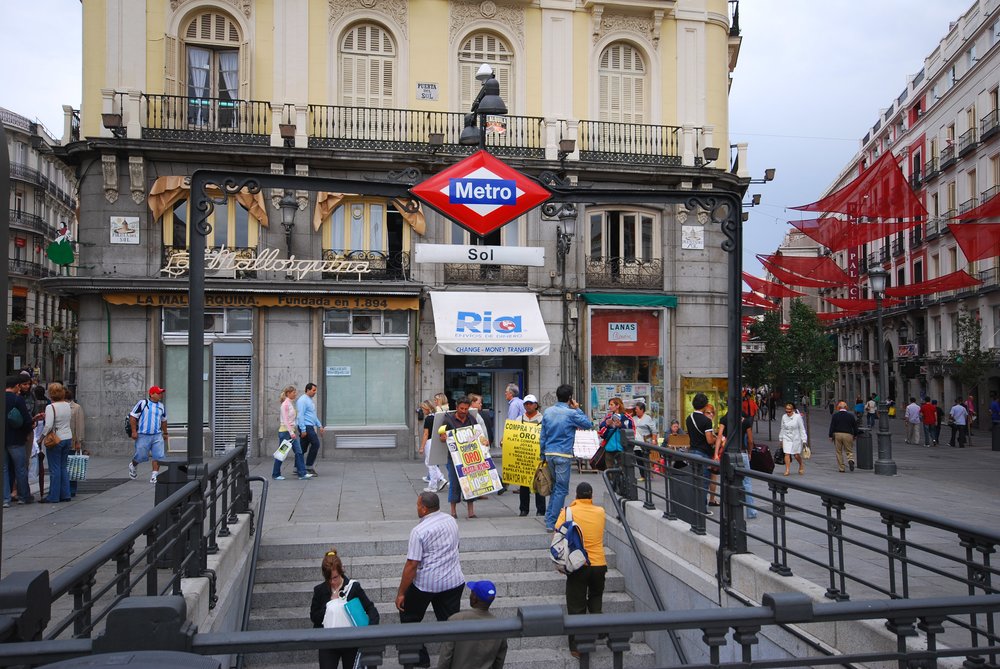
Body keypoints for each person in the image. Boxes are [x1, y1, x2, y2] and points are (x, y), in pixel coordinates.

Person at [396, 491, 465, 668]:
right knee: (450, 623)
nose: (417, 508)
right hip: (452, 581)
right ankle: (455, 659)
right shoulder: (451, 520)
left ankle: (419, 658)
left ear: (425, 509)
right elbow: (456, 546)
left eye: (418, 505)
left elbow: (412, 565)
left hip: (426, 584)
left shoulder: (419, 531)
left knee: (409, 618)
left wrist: (401, 592)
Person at [556, 482, 607, 660]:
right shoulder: (600, 512)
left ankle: (577, 646)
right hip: (599, 564)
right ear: (591, 495)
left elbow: (558, 534)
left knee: (576, 607)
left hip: (578, 565)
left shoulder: (568, 512)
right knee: (595, 598)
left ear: (576, 495)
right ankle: (597, 630)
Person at [310, 548, 379, 669]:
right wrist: (330, 603)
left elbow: (371, 608)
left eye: (335, 577)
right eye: (329, 579)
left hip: (350, 641)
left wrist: (369, 630)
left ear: (341, 571)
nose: (332, 582)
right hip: (328, 641)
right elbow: (314, 617)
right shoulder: (320, 590)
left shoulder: (353, 587)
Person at [540, 384, 593, 532]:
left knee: (555, 487)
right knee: (561, 489)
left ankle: (549, 517)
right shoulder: (571, 413)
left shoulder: (548, 412)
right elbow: (588, 424)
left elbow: (542, 435)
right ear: (570, 398)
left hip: (550, 453)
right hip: (563, 454)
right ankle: (552, 521)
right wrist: (577, 408)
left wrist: (542, 453)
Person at [436, 580, 507, 669]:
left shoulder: (456, 620)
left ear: (474, 598)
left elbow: (445, 657)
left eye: (472, 592)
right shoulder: (500, 627)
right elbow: (499, 660)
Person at [439, 396, 479, 519]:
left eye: (466, 409)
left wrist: (483, 441)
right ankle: (453, 512)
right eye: (461, 408)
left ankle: (471, 512)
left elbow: (478, 433)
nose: (464, 411)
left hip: (469, 457)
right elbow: (440, 432)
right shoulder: (448, 419)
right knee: (454, 483)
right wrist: (442, 436)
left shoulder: (471, 419)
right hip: (454, 458)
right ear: (456, 408)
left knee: (471, 482)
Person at [4, 375, 35, 507]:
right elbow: (26, 420)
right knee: (20, 468)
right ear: (16, 386)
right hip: (16, 439)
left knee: (4, 469)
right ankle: (23, 496)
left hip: (3, 439)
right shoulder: (18, 399)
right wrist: (29, 428)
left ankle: (5, 499)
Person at [129, 386, 168, 484]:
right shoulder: (143, 403)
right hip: (143, 435)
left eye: (161, 393)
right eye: (158, 393)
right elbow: (133, 417)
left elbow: (164, 420)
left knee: (158, 456)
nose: (160, 395)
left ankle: (154, 476)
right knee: (141, 456)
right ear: (151, 394)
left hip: (157, 435)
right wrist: (134, 431)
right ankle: (133, 464)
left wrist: (165, 432)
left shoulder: (161, 406)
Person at [41, 383, 73, 503]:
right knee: (63, 467)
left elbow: (48, 425)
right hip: (67, 437)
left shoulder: (51, 407)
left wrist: (41, 437)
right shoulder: (67, 405)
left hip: (56, 438)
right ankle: (66, 494)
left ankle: (53, 496)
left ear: (51, 394)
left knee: (54, 468)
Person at [272, 385, 312, 481]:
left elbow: (292, 419)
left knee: (299, 452)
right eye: (294, 392)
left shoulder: (290, 403)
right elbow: (285, 420)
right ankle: (276, 474)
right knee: (282, 453)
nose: (295, 394)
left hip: (291, 432)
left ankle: (302, 473)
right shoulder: (285, 405)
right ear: (288, 393)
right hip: (286, 432)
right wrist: (291, 432)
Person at [597, 397, 634, 493]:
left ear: (618, 405)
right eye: (609, 404)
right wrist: (607, 425)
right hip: (609, 446)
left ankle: (621, 487)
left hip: (622, 447)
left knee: (622, 468)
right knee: (609, 469)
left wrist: (621, 425)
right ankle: (612, 487)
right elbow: (601, 431)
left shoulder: (627, 417)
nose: (610, 406)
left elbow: (632, 429)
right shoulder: (608, 417)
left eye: (612, 404)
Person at [685, 392, 717, 502]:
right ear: (704, 405)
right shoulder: (706, 421)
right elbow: (709, 440)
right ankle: (702, 508)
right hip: (703, 454)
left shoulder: (689, 418)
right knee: (703, 482)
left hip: (692, 452)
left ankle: (694, 505)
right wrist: (716, 439)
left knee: (694, 481)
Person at [517, 394, 545, 517]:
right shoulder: (519, 419)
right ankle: (524, 509)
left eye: (530, 403)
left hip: (538, 456)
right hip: (523, 456)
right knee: (523, 484)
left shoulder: (543, 419)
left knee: (539, 483)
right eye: (526, 404)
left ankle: (541, 510)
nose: (528, 406)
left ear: (536, 404)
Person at [296, 382, 324, 477]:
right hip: (306, 426)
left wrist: (319, 425)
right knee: (316, 444)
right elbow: (300, 415)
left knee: (302, 448)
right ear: (307, 390)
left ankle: (297, 467)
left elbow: (312, 415)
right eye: (313, 390)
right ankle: (308, 467)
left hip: (309, 426)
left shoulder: (310, 400)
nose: (315, 392)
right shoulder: (302, 400)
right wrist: (303, 429)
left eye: (315, 390)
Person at [419, 400, 447, 492]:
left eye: (423, 409)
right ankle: (441, 479)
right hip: (436, 440)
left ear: (427, 408)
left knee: (431, 464)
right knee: (431, 463)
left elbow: (426, 434)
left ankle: (433, 485)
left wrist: (422, 447)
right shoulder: (437, 416)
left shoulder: (428, 419)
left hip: (430, 442)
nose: (422, 411)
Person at [778, 402, 808, 476]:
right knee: (787, 453)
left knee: (796, 454)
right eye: (786, 411)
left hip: (795, 437)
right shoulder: (784, 417)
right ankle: (787, 469)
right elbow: (782, 428)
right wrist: (781, 439)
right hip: (786, 437)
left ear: (793, 410)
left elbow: (802, 428)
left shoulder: (797, 417)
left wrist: (804, 439)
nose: (787, 413)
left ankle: (801, 464)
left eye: (789, 411)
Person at [828, 401, 858, 473]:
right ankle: (850, 459)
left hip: (838, 434)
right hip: (848, 434)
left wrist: (830, 435)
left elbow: (832, 426)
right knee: (849, 450)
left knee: (839, 451)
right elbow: (855, 426)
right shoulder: (851, 416)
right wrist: (855, 435)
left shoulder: (835, 415)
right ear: (846, 408)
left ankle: (841, 468)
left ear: (838, 408)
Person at [66, 388, 85, 497]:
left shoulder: (76, 408)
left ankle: (72, 489)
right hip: (62, 440)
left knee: (73, 466)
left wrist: (79, 440)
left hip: (72, 440)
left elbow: (80, 425)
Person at [632, 400, 657, 480]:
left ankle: (648, 474)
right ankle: (643, 475)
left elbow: (654, 430)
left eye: (637, 409)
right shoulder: (633, 418)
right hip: (636, 441)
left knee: (645, 458)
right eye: (635, 409)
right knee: (638, 458)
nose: (636, 411)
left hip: (645, 441)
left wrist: (654, 440)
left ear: (642, 410)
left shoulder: (647, 418)